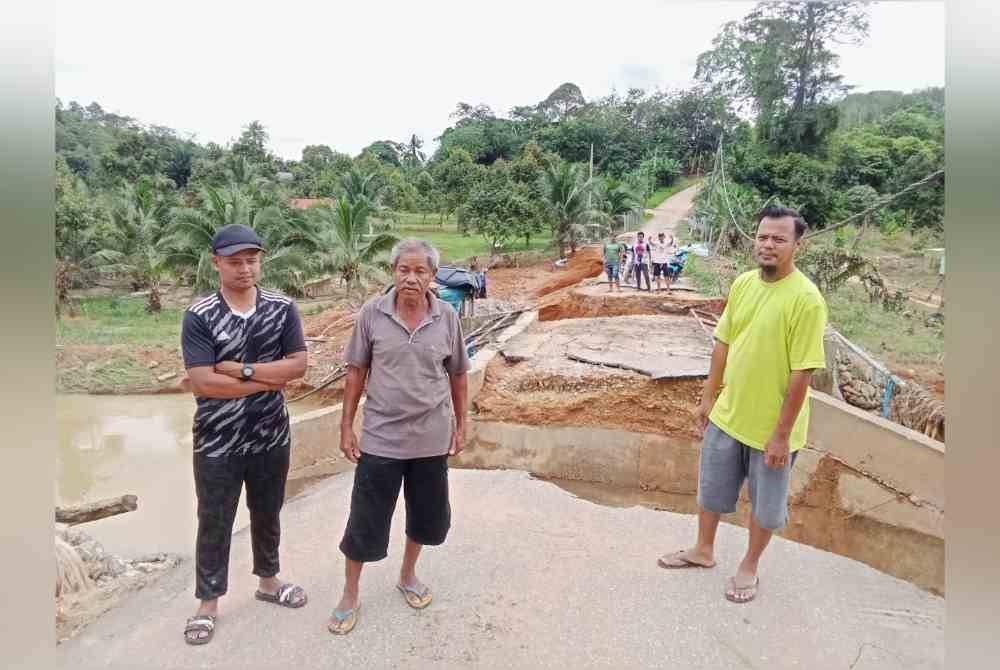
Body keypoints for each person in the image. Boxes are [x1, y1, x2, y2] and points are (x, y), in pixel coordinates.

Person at [657, 205, 827, 605]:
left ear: (796, 246)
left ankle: (749, 565)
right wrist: (707, 398)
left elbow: (803, 373)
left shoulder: (806, 300)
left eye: (779, 239)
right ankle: (703, 551)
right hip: (728, 415)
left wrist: (781, 436)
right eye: (763, 236)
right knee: (711, 490)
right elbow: (723, 343)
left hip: (772, 430)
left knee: (766, 509)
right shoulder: (744, 284)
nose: (768, 245)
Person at [330, 238, 470, 635]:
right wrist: (346, 426)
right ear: (393, 272)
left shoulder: (446, 317)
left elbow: (458, 373)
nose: (410, 278)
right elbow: (355, 371)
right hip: (381, 437)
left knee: (426, 516)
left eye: (420, 271)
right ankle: (350, 592)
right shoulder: (372, 314)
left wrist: (462, 424)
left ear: (433, 276)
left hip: (431, 437)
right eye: (403, 270)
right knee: (365, 519)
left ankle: (407, 575)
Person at [180, 224, 310, 645]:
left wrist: (242, 370)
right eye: (235, 261)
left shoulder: (282, 308)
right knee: (214, 519)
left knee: (268, 510)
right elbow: (204, 383)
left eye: (251, 260)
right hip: (217, 441)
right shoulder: (199, 316)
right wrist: (268, 381)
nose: (245, 268)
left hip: (271, 436)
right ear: (216, 263)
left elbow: (298, 366)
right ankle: (208, 602)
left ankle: (268, 582)